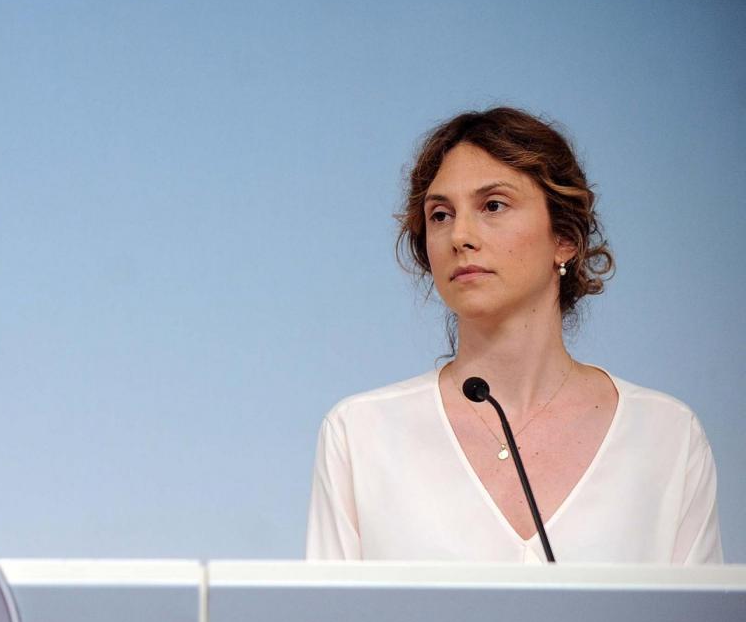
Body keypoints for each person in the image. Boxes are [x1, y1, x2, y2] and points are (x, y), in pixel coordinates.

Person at [305, 108, 721, 563]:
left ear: (564, 237)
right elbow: (329, 613)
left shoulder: (666, 437)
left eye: (493, 206)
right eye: (440, 215)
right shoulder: (361, 435)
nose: (460, 235)